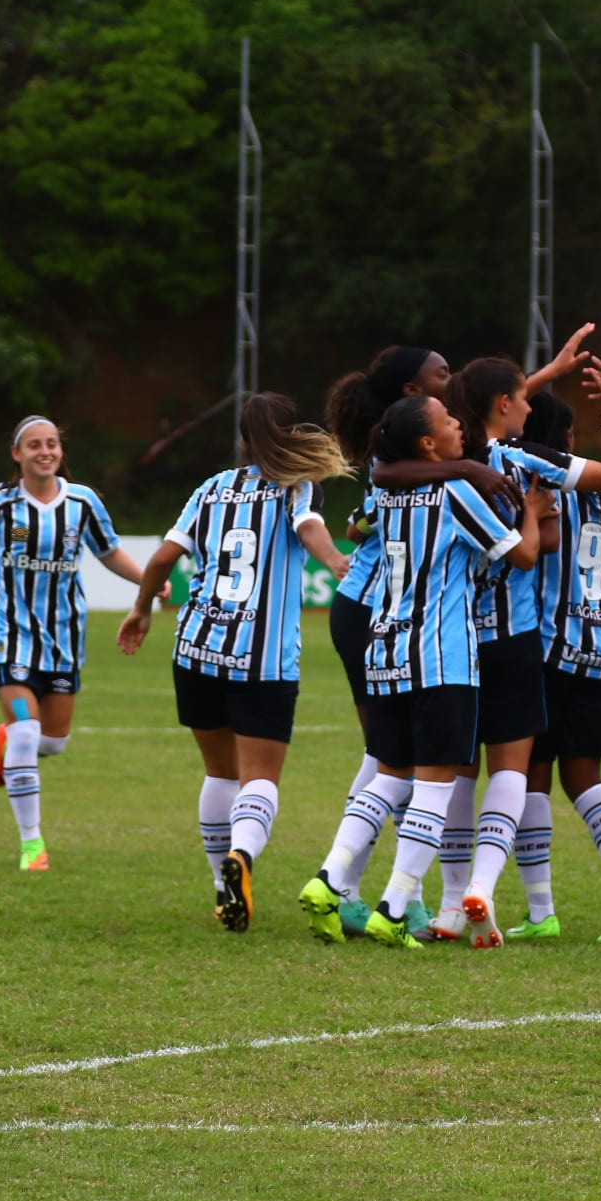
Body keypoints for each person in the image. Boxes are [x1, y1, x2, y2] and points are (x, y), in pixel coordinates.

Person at [318, 327, 598, 938]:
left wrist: (539, 379)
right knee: (421, 768)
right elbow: (526, 550)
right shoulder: (444, 482)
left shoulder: (399, 464)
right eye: (444, 383)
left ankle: (350, 883)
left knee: (392, 762)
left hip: (382, 620)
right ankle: (402, 899)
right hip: (428, 630)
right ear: (415, 400)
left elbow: (482, 412)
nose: (455, 390)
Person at [299, 394, 547, 948]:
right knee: (434, 786)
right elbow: (523, 556)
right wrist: (532, 509)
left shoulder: (386, 491)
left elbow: (365, 518)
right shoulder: (456, 493)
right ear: (429, 444)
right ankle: (393, 906)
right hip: (441, 657)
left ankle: (330, 877)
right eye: (447, 420)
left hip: (384, 647)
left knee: (387, 775)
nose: (460, 423)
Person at [116, 394, 352, 932]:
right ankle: (241, 858)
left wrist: (141, 609)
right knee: (260, 778)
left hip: (196, 647)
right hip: (261, 658)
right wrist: (336, 559)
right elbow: (310, 526)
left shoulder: (211, 489)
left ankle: (220, 889)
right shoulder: (297, 487)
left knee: (219, 772)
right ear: (288, 434)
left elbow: (161, 559)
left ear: (243, 440)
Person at [429, 349, 601, 947]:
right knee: (512, 770)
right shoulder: (522, 459)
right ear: (502, 405)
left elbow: (485, 404)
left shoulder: (446, 462)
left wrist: (542, 375)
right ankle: (485, 889)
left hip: (460, 640)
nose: (528, 406)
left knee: (459, 774)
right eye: (521, 397)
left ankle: (444, 902)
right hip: (515, 641)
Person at [0, 416, 149, 871]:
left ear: (60, 452)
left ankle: (5, 742)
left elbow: (108, 551)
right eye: (34, 445)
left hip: (65, 639)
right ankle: (32, 845)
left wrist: (149, 581)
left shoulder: (83, 503)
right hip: (9, 636)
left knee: (52, 743)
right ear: (17, 454)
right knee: (28, 733)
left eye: (51, 444)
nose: (44, 451)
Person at [506, 389, 601, 944]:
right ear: (568, 440)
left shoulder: (535, 487)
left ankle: (541, 912)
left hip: (546, 651)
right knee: (586, 777)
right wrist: (595, 611)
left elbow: (538, 546)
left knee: (531, 780)